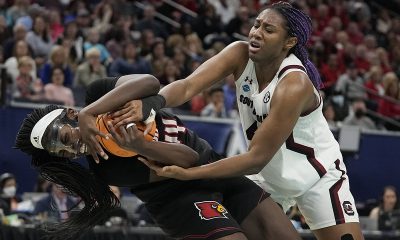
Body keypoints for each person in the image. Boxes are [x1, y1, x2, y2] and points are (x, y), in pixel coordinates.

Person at [106, 2, 364, 240]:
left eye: (269, 30)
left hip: (317, 176)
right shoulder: (239, 53)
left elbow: (254, 159)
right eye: (256, 24)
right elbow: (187, 86)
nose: (256, 32)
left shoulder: (293, 84)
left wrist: (190, 174)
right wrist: (153, 103)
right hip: (268, 179)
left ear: (289, 42)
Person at [15, 74, 300, 240]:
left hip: (217, 166)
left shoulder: (98, 95)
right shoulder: (106, 168)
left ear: (72, 115)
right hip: (180, 198)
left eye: (65, 138)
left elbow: (150, 82)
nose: (71, 149)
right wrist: (143, 146)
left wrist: (93, 111)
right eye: (63, 153)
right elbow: (189, 161)